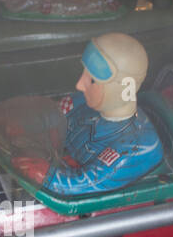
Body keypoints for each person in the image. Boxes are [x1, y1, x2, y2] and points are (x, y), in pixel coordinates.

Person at [11, 33, 162, 195]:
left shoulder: (137, 147)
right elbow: (50, 114)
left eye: (92, 80)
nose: (79, 85)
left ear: (126, 88)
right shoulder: (83, 102)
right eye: (84, 73)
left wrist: (44, 174)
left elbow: (82, 184)